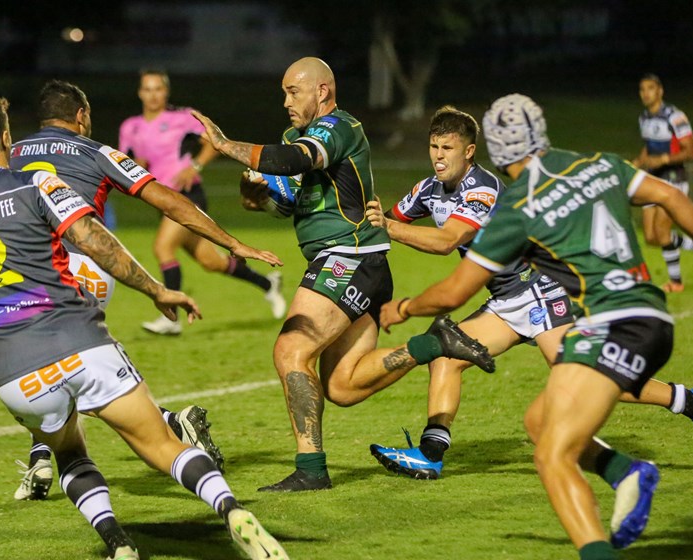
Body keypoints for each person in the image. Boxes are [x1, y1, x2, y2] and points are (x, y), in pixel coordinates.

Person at [0, 92, 288, 560]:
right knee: (160, 444)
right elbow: (95, 240)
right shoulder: (39, 182)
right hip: (77, 335)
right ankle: (229, 507)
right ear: (5, 137)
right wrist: (156, 289)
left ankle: (116, 541)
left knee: (70, 452)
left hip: (14, 374)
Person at [375, 93, 693, 559]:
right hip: (514, 302)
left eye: (447, 147)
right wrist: (366, 216)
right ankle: (431, 455)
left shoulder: (502, 198)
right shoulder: (593, 165)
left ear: (478, 150)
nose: (438, 155)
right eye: (434, 147)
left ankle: (690, 405)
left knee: (586, 396)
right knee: (451, 358)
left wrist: (404, 303)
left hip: (538, 294)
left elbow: (449, 250)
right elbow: (388, 217)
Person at [192, 57, 494, 492]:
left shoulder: (339, 128)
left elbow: (296, 159)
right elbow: (289, 203)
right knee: (343, 385)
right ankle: (436, 343)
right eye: (283, 93)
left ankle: (311, 468)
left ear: (322, 91)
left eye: (293, 92)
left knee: (291, 350)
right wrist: (257, 199)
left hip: (347, 257)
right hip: (359, 264)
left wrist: (224, 145)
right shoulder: (295, 137)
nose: (285, 102)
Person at [9, 79, 283, 498]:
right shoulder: (97, 151)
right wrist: (232, 242)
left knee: (46, 369)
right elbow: (169, 200)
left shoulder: (10, 154)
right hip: (86, 267)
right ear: (81, 116)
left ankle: (61, 454)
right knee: (52, 369)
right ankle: (52, 456)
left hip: (29, 273)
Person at [119, 69, 286, 335]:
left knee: (163, 247)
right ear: (140, 93)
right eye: (147, 89)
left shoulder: (182, 117)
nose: (153, 95)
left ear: (166, 91)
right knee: (211, 262)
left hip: (187, 195)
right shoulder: (130, 126)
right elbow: (135, 162)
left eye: (158, 89)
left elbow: (214, 143)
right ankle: (268, 284)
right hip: (162, 200)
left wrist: (195, 166)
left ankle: (171, 318)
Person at [633, 73, 693, 292]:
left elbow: (692, 151)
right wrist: (637, 163)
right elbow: (649, 146)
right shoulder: (644, 118)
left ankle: (676, 282)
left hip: (673, 179)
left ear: (660, 91)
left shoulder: (674, 116)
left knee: (662, 232)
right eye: (642, 89)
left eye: (650, 88)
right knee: (651, 236)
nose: (646, 93)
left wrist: (663, 159)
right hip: (652, 179)